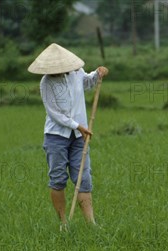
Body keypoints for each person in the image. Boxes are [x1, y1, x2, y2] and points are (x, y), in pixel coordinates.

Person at [28, 43, 108, 230]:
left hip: (80, 136)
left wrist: (98, 74)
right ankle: (64, 223)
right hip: (56, 136)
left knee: (83, 178)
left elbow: (87, 82)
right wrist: (77, 125)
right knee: (57, 179)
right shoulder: (46, 83)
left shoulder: (76, 72)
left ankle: (91, 224)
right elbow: (54, 113)